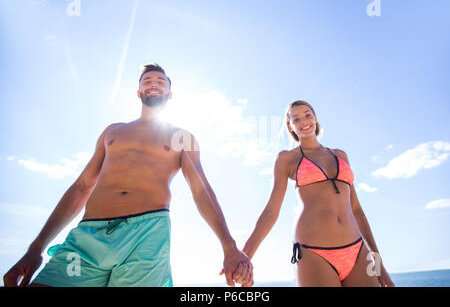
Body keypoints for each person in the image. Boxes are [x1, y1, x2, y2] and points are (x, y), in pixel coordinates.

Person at [3, 63, 252, 287]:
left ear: (170, 94)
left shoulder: (182, 137)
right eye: (147, 81)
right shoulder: (112, 132)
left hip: (146, 236)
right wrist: (35, 249)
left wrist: (229, 246)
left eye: (160, 81)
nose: (154, 84)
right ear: (138, 92)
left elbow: (201, 190)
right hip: (89, 237)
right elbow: (81, 186)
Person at [241, 100, 394, 287]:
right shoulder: (286, 158)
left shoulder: (341, 155)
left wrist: (379, 265)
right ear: (290, 126)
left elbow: (357, 210)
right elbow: (272, 211)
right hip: (314, 253)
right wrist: (245, 256)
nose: (303, 121)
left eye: (307, 114)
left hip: (357, 250)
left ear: (315, 117)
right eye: (296, 118)